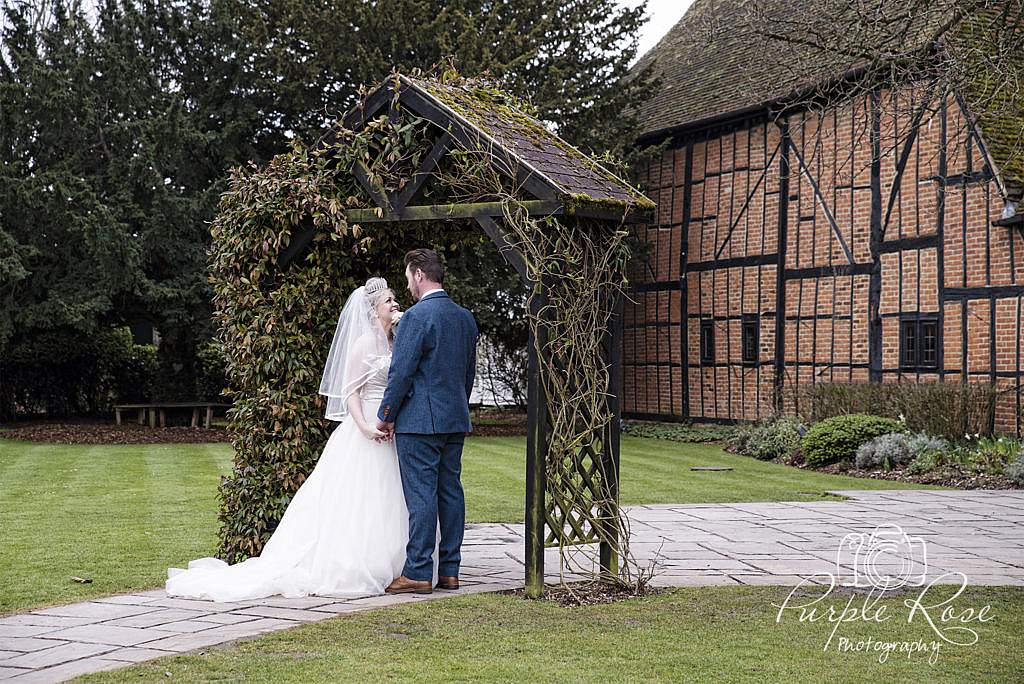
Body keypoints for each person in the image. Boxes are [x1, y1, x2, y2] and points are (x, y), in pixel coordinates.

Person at [165, 277, 410, 602]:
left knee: (391, 498)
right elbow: (350, 392)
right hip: (364, 429)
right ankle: (356, 563)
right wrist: (365, 426)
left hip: (388, 429)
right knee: (359, 499)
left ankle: (398, 564)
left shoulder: (395, 342)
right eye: (388, 302)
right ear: (373, 310)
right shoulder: (363, 344)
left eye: (394, 300)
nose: (395, 305)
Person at [376, 248, 479, 594]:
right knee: (450, 491)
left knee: (421, 495)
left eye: (408, 278)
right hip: (454, 419)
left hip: (419, 423)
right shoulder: (465, 318)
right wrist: (456, 408)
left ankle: (418, 570)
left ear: (419, 274)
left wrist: (385, 416)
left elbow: (401, 373)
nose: (407, 286)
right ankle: (450, 570)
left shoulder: (417, 318)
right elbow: (468, 375)